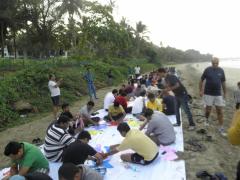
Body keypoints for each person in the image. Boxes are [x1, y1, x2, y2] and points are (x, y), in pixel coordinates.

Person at [199, 57, 226, 135]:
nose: (215, 65)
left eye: (216, 63)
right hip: (208, 93)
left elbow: (223, 83)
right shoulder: (207, 70)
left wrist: (225, 93)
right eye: (213, 63)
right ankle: (206, 119)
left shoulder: (221, 70)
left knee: (220, 111)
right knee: (208, 110)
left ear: (218, 63)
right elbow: (201, 80)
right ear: (211, 63)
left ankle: (221, 128)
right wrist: (200, 90)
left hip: (218, 94)